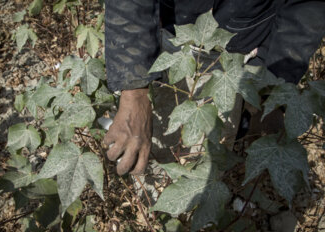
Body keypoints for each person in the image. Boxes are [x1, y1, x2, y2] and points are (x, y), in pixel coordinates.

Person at [102, 0, 325, 175]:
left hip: (239, 52)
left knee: (207, 165)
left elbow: (306, 9)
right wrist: (134, 91)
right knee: (151, 157)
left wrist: (270, 81)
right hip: (164, 31)